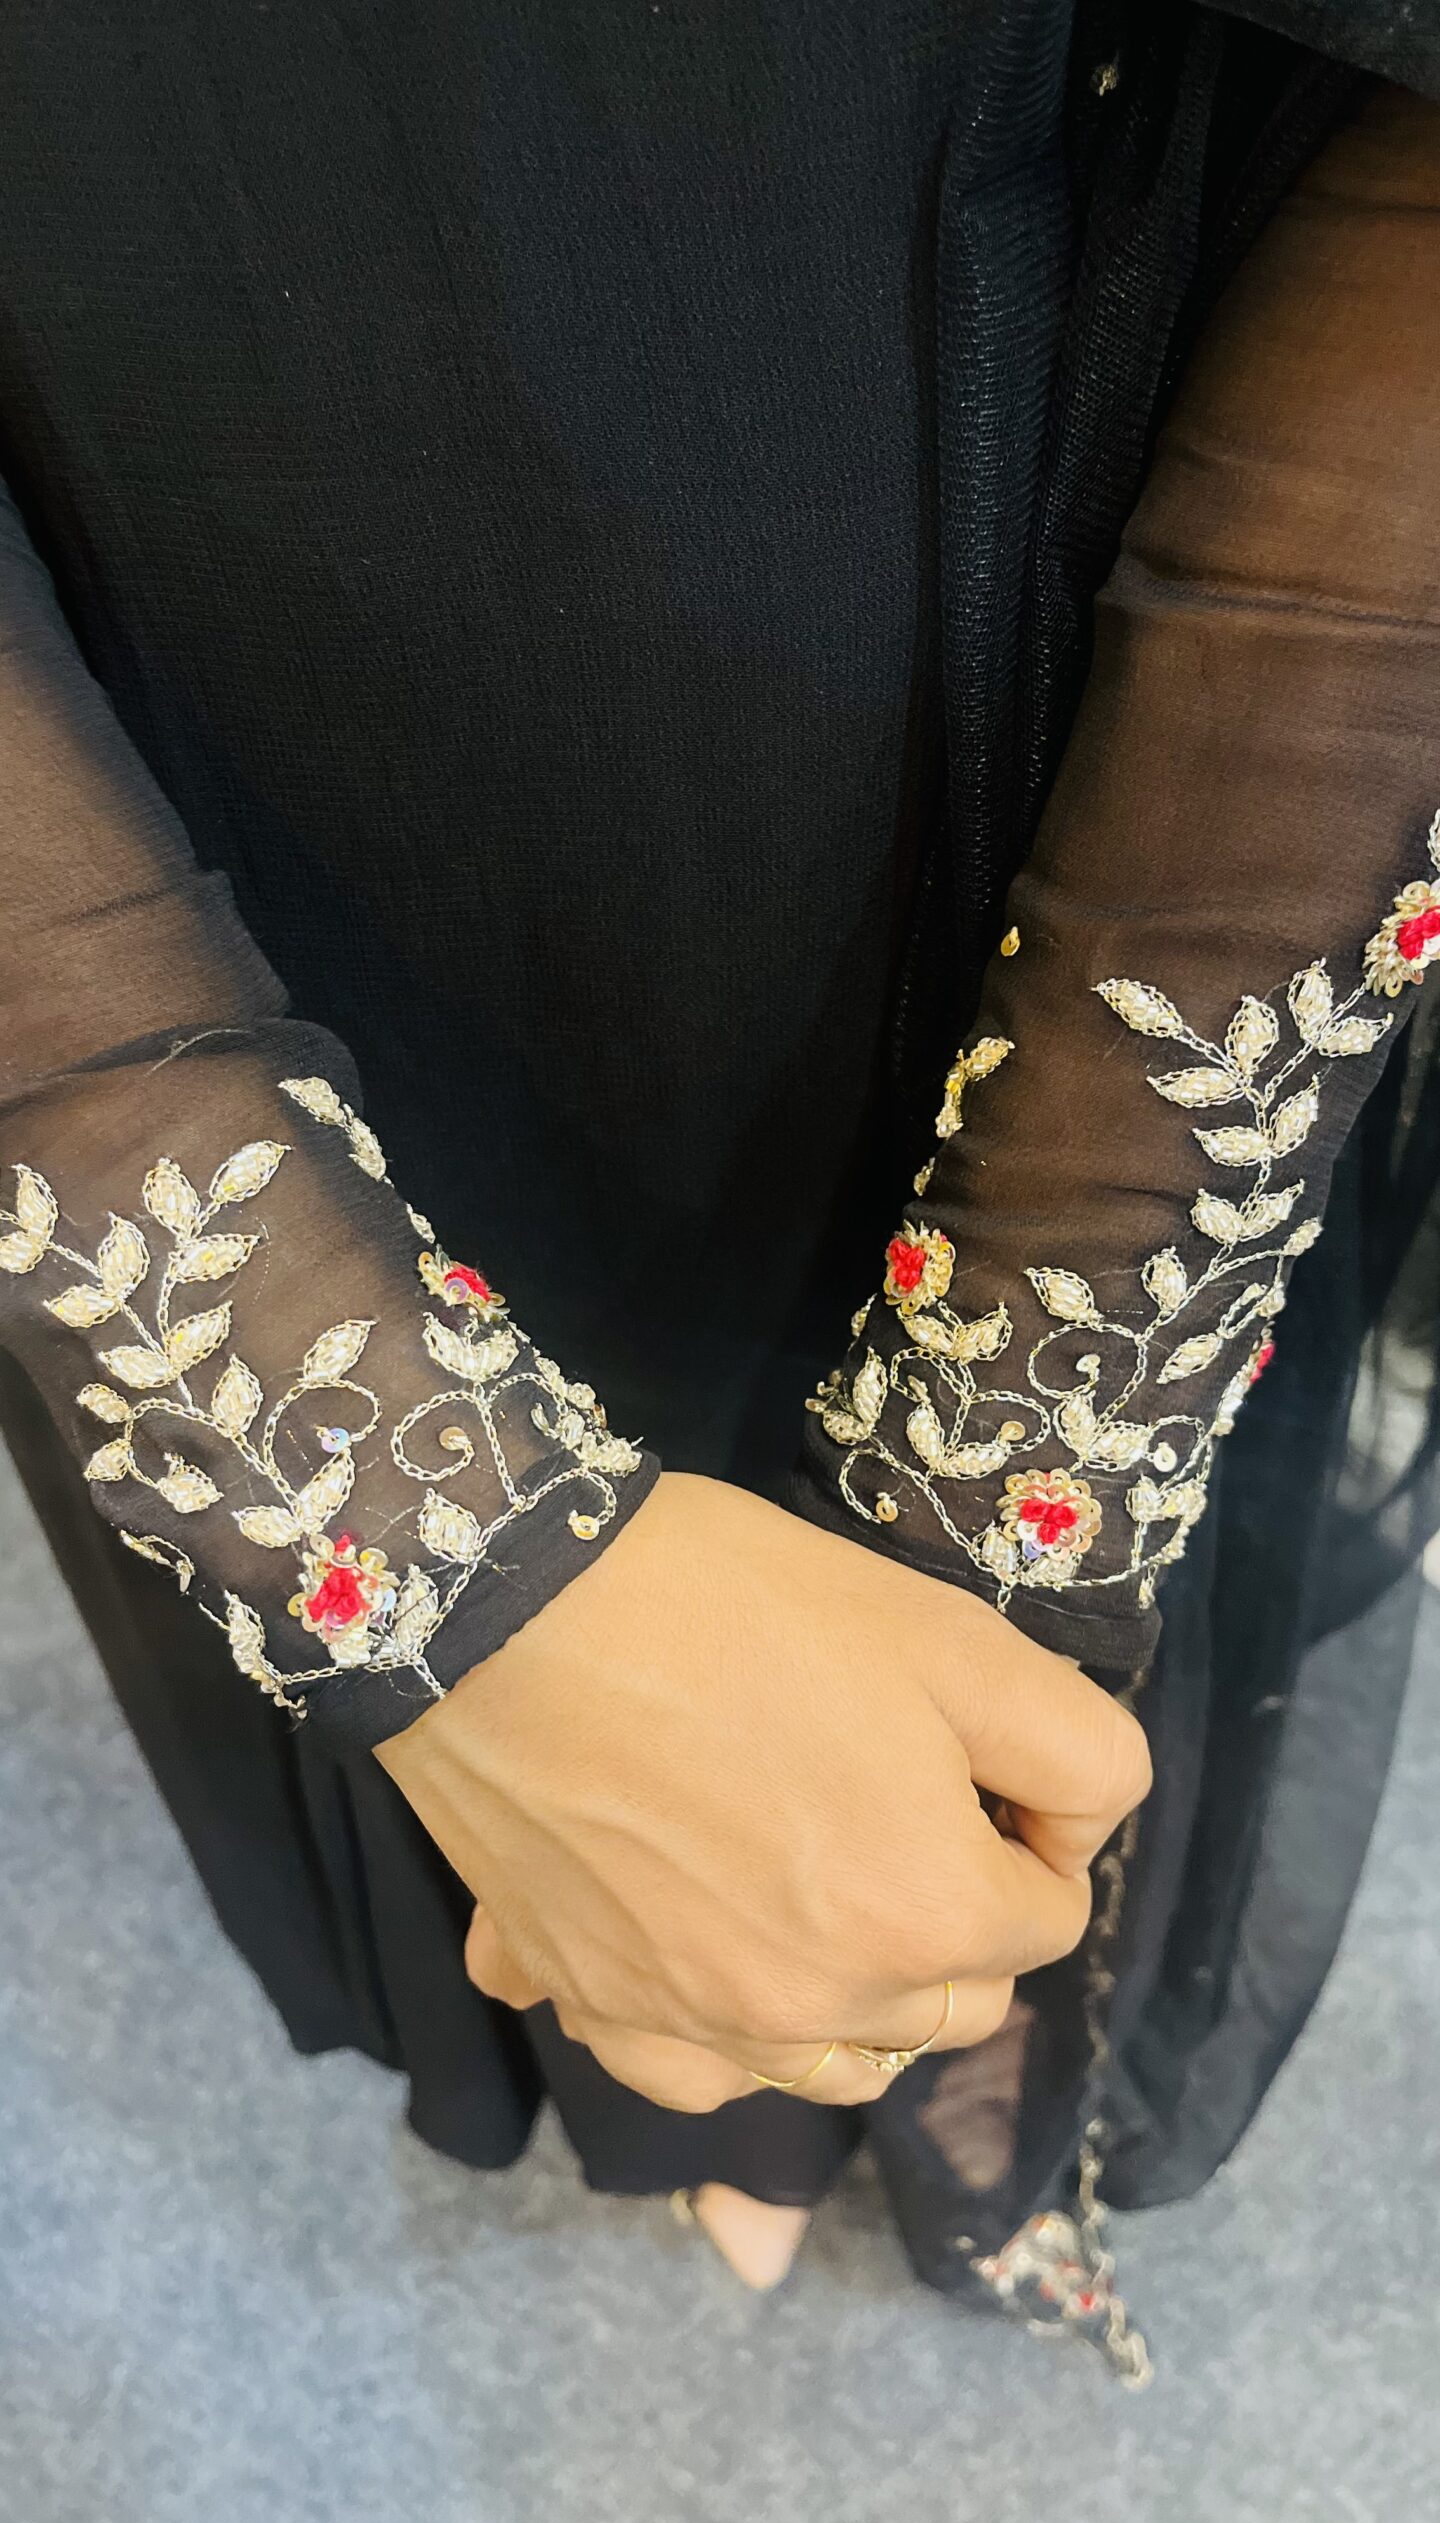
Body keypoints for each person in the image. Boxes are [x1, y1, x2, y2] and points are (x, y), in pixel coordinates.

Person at [1, 5, 1436, 2374]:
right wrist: (428, 1537)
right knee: (548, 1697)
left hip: (1072, 653)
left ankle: (855, 2030)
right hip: (161, 758)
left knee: (967, 1651)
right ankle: (675, 2058)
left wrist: (1032, 1421)